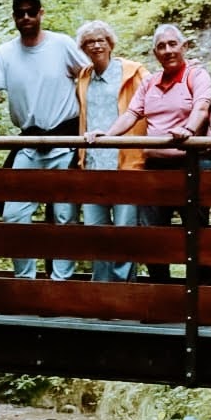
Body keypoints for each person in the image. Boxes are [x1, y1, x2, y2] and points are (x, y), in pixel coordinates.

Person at [90, 23, 211, 285]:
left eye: (173, 44)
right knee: (153, 236)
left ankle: (206, 298)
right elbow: (132, 114)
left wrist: (188, 130)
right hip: (157, 168)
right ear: (155, 53)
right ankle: (162, 295)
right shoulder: (150, 82)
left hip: (192, 164)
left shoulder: (196, 75)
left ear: (184, 47)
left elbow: (202, 109)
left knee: (197, 234)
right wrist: (108, 135)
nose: (168, 50)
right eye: (161, 46)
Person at [0, 0, 86, 280]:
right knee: (14, 214)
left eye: (31, 11)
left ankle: (61, 280)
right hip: (28, 143)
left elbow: (91, 76)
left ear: (40, 14)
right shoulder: (5, 53)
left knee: (64, 215)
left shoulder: (61, 45)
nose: (26, 17)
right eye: (20, 12)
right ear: (14, 17)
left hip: (64, 139)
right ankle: (25, 278)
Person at [76, 20, 149, 283]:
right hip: (94, 164)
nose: (96, 45)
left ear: (110, 43)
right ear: (83, 48)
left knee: (123, 232)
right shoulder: (84, 76)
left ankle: (123, 293)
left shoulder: (132, 71)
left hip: (125, 163)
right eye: (89, 42)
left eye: (101, 40)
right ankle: (101, 291)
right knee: (96, 233)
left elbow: (155, 97)